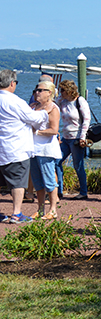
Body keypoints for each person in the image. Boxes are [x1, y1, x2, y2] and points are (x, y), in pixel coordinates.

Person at [0, 70, 49, 223]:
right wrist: (44, 112)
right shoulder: (15, 101)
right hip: (15, 147)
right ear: (12, 83)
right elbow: (33, 118)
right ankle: (16, 213)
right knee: (18, 182)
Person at [29, 80, 61, 219]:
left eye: (40, 90)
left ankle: (53, 209)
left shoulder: (53, 108)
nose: (37, 92)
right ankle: (40, 208)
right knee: (37, 182)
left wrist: (36, 132)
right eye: (36, 90)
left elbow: (54, 130)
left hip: (46, 149)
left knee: (49, 180)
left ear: (49, 93)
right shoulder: (34, 107)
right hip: (33, 149)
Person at [56, 79, 90, 200]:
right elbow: (54, 104)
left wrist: (82, 137)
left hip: (76, 137)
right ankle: (58, 190)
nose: (61, 92)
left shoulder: (80, 101)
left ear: (70, 91)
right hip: (65, 137)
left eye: (63, 90)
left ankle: (83, 191)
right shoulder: (63, 101)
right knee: (57, 161)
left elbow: (86, 119)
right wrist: (60, 96)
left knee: (78, 165)